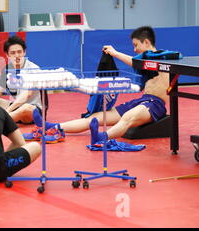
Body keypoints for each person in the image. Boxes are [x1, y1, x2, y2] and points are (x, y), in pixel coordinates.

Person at [30, 26, 169, 144]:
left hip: (154, 104)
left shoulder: (161, 57)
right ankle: (53, 126)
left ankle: (102, 137)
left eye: (136, 45)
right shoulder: (144, 61)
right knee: (95, 117)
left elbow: (139, 62)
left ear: (146, 42)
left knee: (128, 117)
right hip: (141, 101)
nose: (134, 49)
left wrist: (115, 53)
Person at [0, 36, 42, 123]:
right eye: (13, 53)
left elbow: (26, 95)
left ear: (24, 52)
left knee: (25, 108)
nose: (17, 56)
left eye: (19, 52)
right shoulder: (7, 69)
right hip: (15, 107)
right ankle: (8, 118)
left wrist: (7, 111)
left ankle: (0, 120)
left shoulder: (33, 69)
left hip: (32, 109)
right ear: (7, 55)